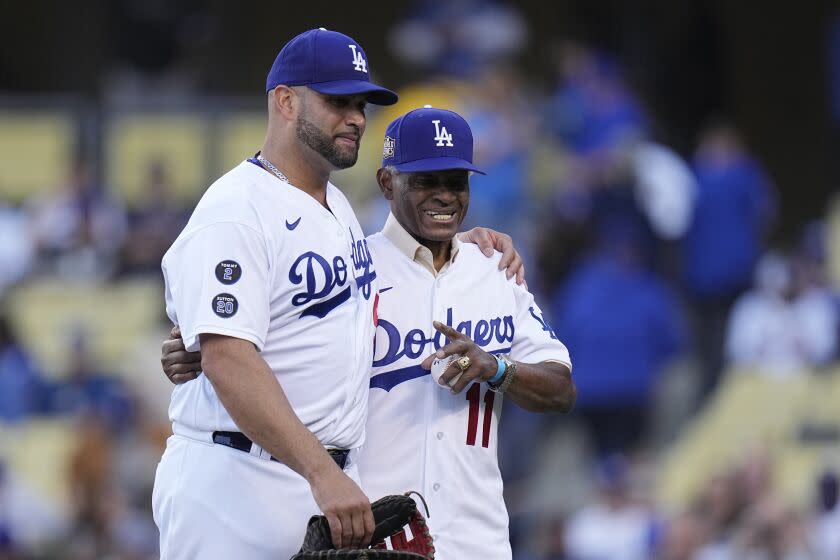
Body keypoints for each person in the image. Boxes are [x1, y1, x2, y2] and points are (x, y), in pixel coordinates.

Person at [153, 29, 522, 560]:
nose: (355, 116)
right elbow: (229, 356)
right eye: (336, 101)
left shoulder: (339, 208)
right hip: (238, 478)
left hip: (311, 481)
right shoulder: (237, 209)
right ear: (285, 101)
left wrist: (462, 242)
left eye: (361, 103)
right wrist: (323, 472)